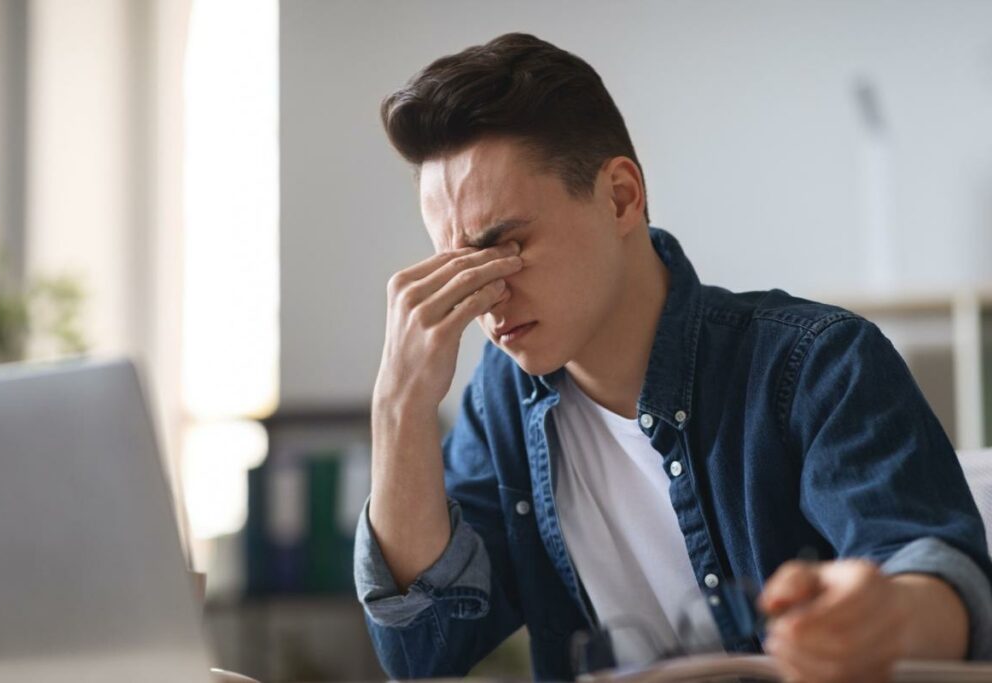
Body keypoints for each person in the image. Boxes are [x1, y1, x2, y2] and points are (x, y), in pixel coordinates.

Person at [353, 32, 992, 682]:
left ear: (622, 197)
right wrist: (398, 403)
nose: (488, 296)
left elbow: (942, 582)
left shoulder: (815, 364)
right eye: (461, 266)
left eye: (507, 247)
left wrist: (883, 615)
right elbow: (423, 651)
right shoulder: (503, 398)